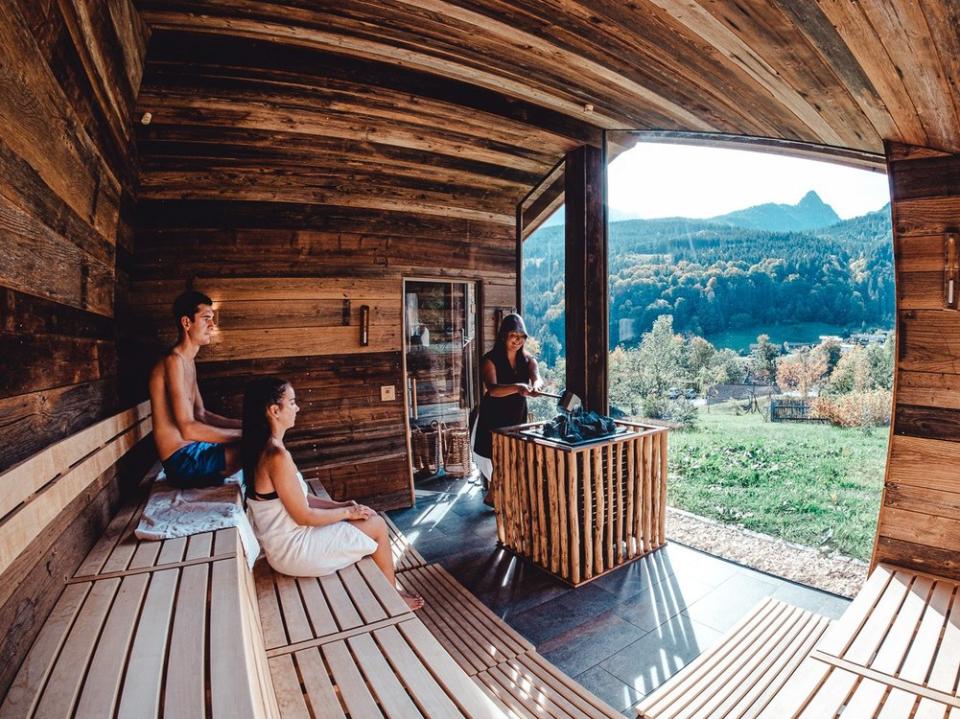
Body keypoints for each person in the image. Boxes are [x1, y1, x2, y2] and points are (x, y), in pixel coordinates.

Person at [242, 377, 423, 609]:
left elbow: (301, 498)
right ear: (275, 410)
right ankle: (392, 597)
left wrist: (341, 505)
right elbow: (304, 516)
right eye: (292, 402)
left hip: (284, 546)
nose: (297, 408)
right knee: (377, 526)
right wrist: (348, 513)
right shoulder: (276, 455)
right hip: (295, 552)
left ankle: (382, 585)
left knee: (367, 519)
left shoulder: (264, 447)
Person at [149, 290, 242, 488]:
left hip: (193, 451)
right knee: (258, 447)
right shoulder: (173, 361)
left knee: (260, 441)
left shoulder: (187, 361)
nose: (212, 325)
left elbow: (202, 414)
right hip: (182, 461)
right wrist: (245, 433)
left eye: (213, 319)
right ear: (186, 323)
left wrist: (246, 424)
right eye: (206, 318)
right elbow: (188, 427)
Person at [471, 313, 543, 505]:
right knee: (499, 457)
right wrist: (518, 387)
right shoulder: (490, 359)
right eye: (514, 336)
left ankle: (495, 496)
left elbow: (537, 376)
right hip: (494, 414)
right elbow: (493, 389)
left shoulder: (528, 360)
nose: (518, 341)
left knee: (513, 456)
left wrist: (536, 386)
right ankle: (497, 496)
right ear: (504, 335)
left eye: (522, 337)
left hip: (516, 414)